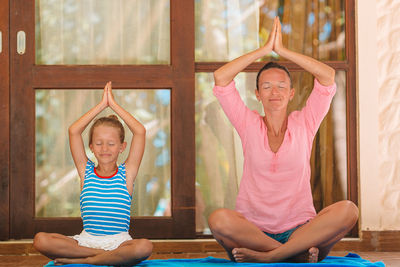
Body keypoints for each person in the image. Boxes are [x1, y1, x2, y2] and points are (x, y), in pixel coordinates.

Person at [208, 17, 359, 263]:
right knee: (219, 219)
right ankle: (293, 254)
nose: (274, 92)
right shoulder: (248, 123)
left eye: (281, 86)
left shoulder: (305, 122)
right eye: (266, 86)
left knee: (348, 210)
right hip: (253, 231)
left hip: (300, 229)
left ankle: (270, 257)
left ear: (291, 93)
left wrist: (284, 51)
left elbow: (327, 76)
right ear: (257, 94)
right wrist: (264, 50)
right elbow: (221, 78)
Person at [33, 82, 153, 265]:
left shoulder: (127, 173)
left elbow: (140, 131)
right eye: (98, 143)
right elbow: (74, 131)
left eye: (111, 144)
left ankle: (84, 260)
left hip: (119, 244)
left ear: (122, 147)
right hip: (86, 242)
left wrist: (113, 105)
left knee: (144, 247)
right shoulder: (85, 171)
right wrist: (101, 106)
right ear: (91, 147)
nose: (104, 148)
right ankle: (100, 257)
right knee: (40, 240)